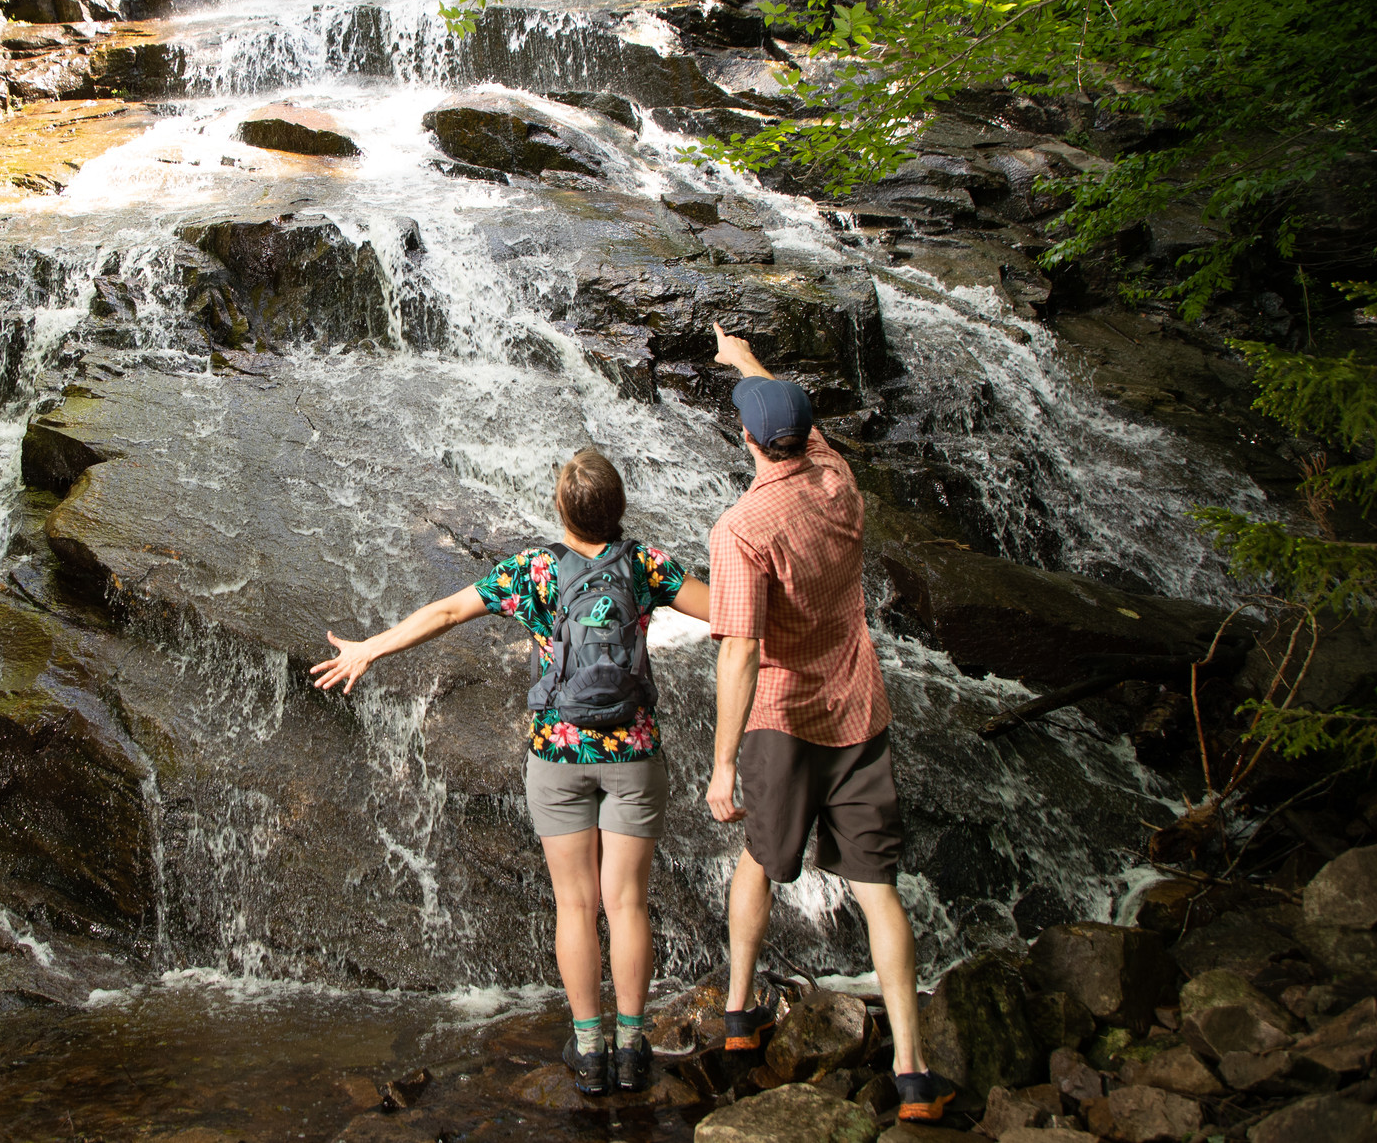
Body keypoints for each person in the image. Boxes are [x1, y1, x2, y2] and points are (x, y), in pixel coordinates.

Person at [312, 450, 711, 1095]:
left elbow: (443, 613)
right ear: (620, 507)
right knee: (628, 901)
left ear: (561, 510)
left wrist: (370, 648)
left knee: (576, 905)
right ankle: (633, 1047)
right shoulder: (644, 565)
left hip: (558, 754)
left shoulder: (535, 569)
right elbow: (726, 612)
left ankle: (588, 1049)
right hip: (634, 752)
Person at [701, 323, 955, 1122]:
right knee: (878, 889)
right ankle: (913, 1071)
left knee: (758, 862)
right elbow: (789, 419)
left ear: (747, 439)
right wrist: (744, 359)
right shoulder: (837, 476)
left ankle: (739, 1013)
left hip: (783, 717)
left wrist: (721, 763)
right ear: (804, 436)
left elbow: (740, 651)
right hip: (857, 709)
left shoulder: (742, 529)